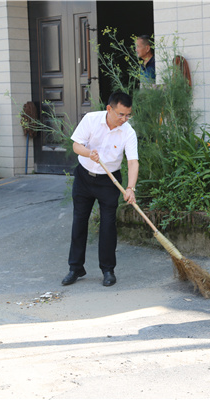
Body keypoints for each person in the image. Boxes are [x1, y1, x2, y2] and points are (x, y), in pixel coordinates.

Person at [62, 92, 139, 287]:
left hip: (110, 182)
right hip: (84, 177)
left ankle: (107, 270)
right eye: (121, 114)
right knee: (79, 222)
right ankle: (75, 268)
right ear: (109, 109)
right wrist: (89, 153)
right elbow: (76, 146)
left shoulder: (128, 132)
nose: (124, 119)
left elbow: (132, 162)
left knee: (108, 226)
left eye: (128, 115)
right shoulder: (91, 119)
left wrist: (130, 188)